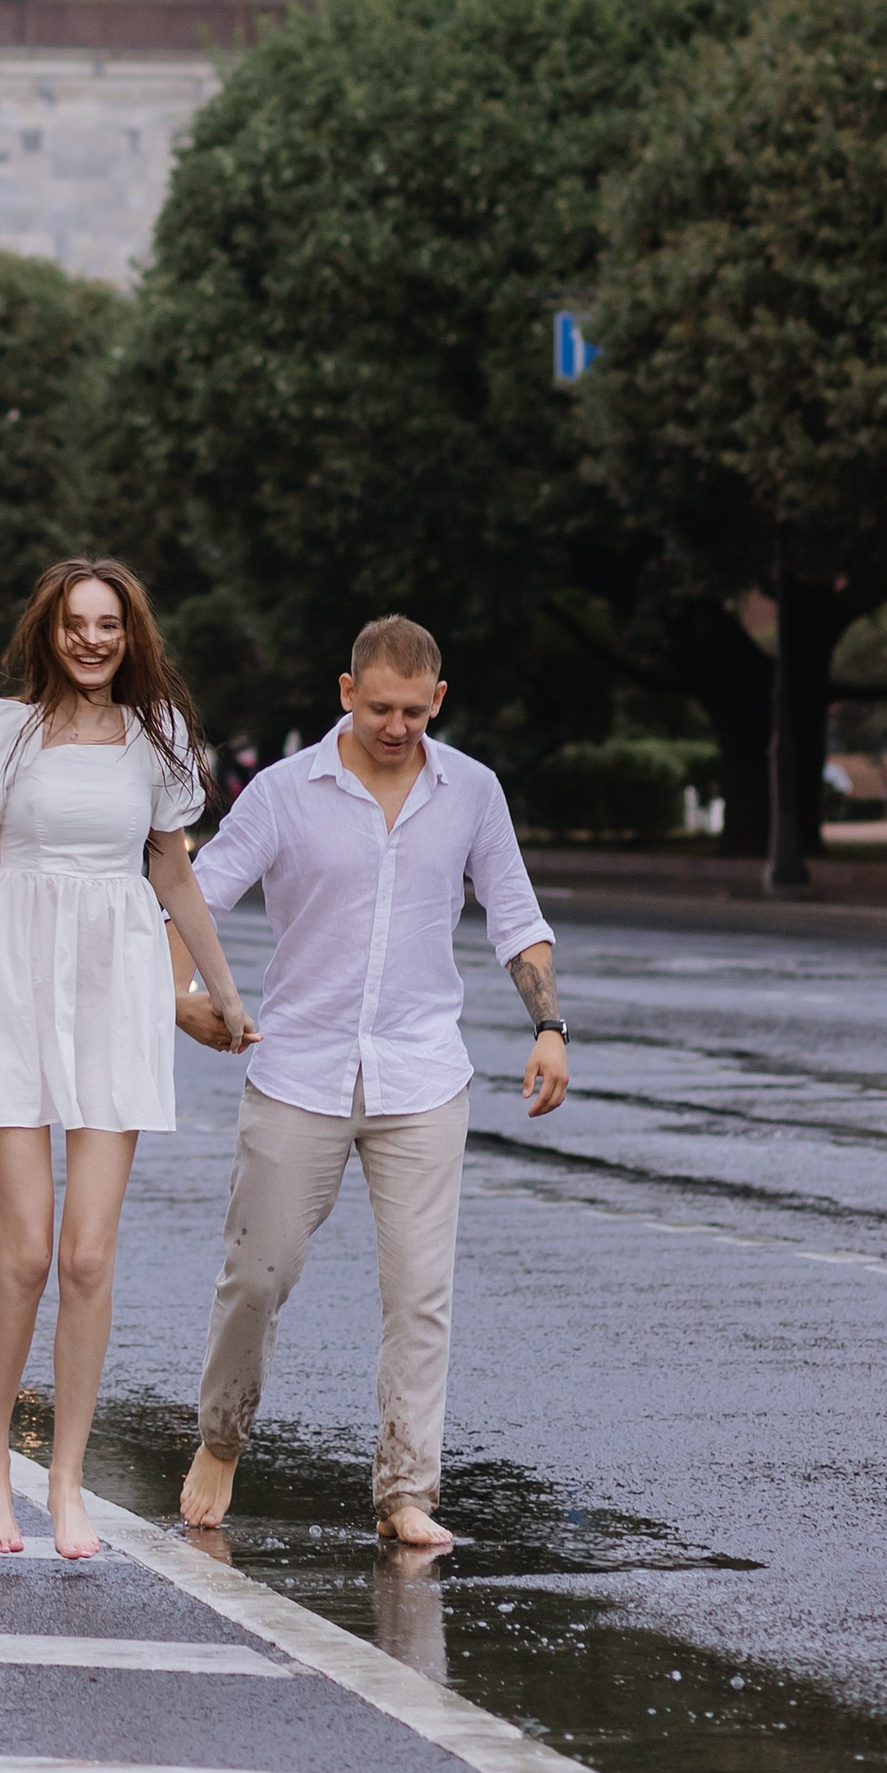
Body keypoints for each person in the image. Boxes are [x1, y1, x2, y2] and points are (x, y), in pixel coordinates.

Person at [0, 558, 256, 1563]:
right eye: (76, 623)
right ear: (49, 631)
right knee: (28, 1254)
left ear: (130, 635)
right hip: (17, 977)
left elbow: (175, 875)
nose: (92, 639)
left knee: (87, 1257)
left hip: (118, 982)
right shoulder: (2, 731)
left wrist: (222, 989)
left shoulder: (160, 737)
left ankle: (67, 1480)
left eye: (108, 624)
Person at [172, 613, 567, 1551]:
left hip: (423, 1076)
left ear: (439, 699)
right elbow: (194, 896)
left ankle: (406, 1492)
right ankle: (221, 1439)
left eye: (414, 712)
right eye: (379, 708)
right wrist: (179, 998)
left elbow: (516, 915)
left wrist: (549, 1028)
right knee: (257, 1277)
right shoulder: (283, 793)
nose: (396, 727)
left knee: (421, 1295)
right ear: (346, 692)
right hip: (297, 1071)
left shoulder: (471, 791)